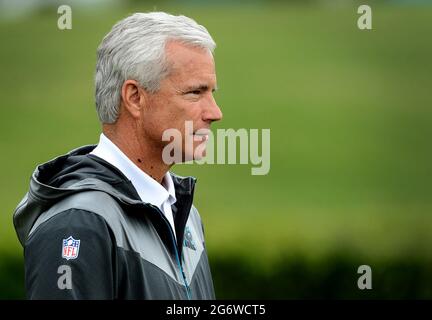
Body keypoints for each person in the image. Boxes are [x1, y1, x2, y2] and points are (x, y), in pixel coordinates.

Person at [13, 12, 222, 299]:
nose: (215, 113)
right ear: (135, 97)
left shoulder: (186, 216)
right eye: (195, 93)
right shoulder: (78, 223)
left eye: (211, 92)